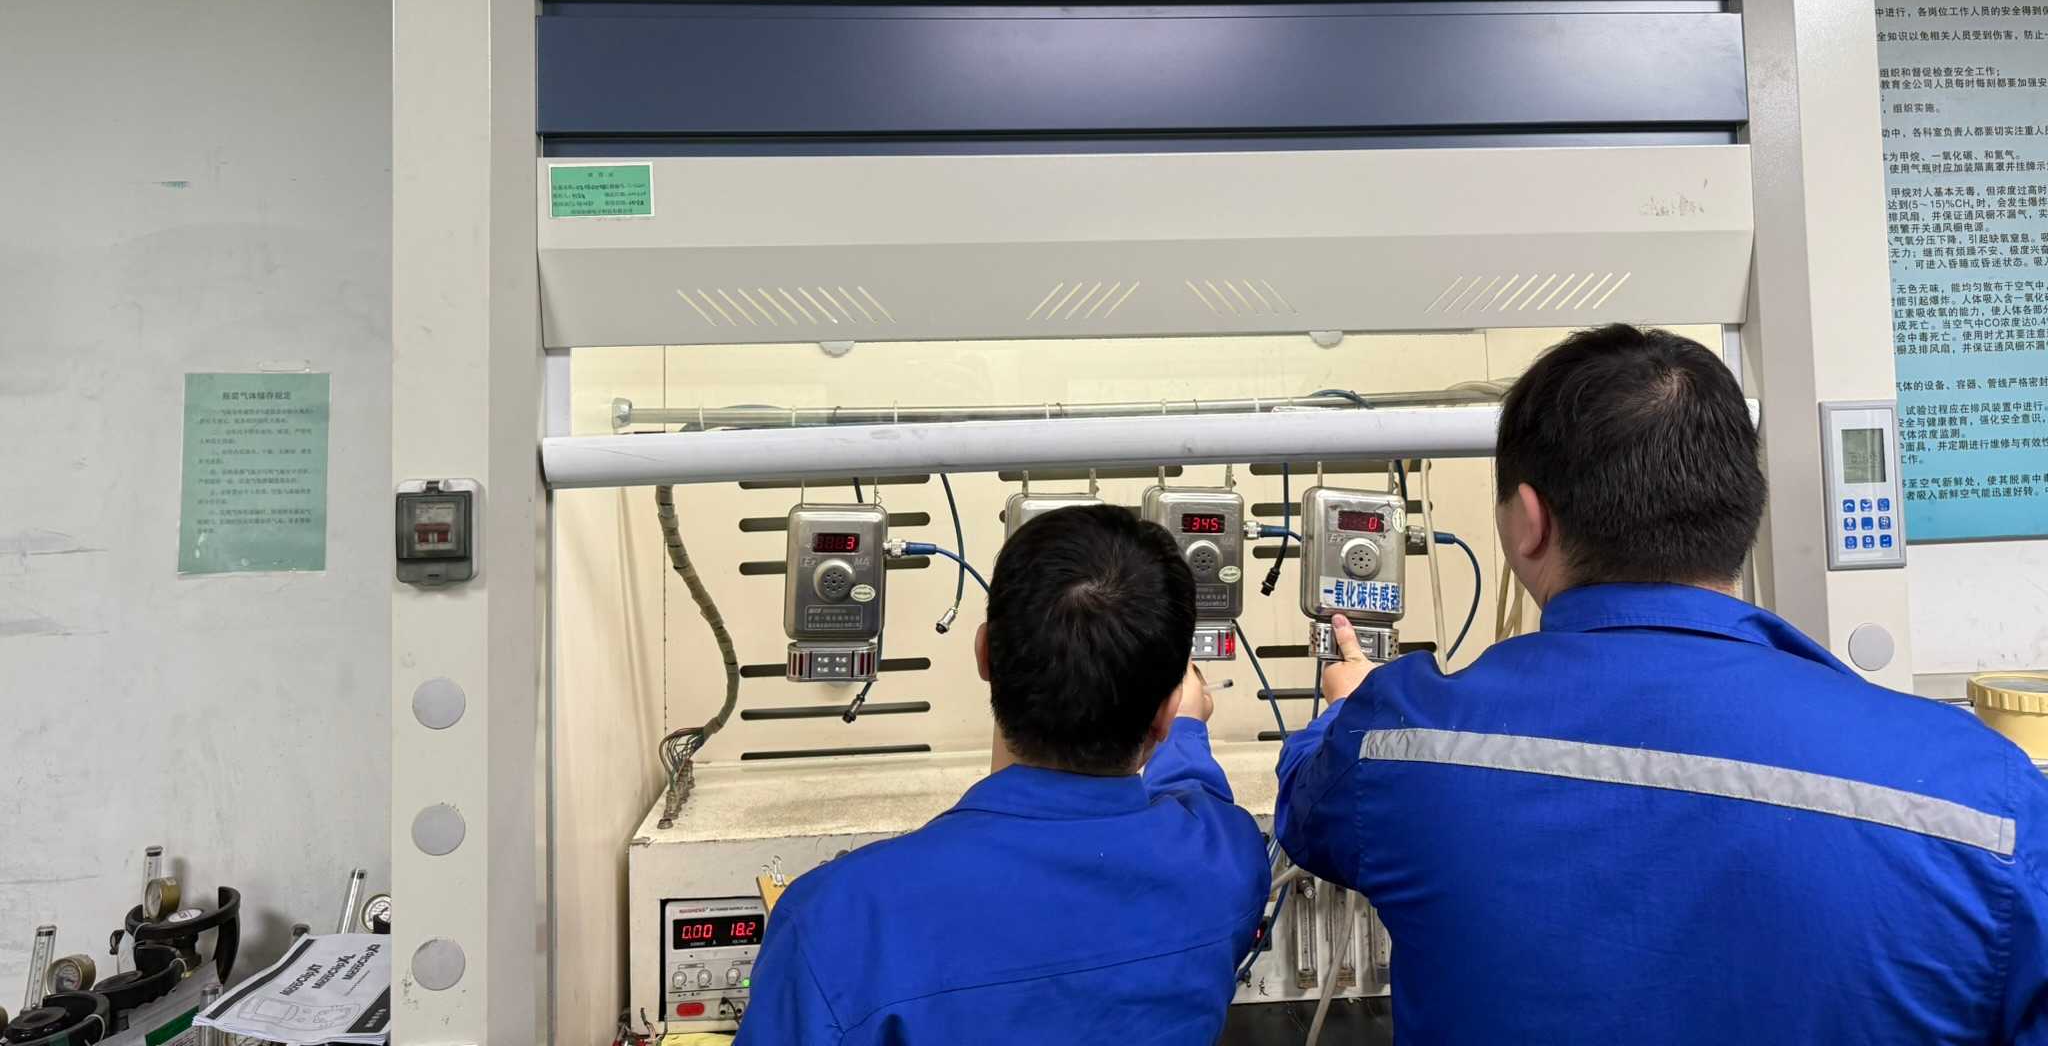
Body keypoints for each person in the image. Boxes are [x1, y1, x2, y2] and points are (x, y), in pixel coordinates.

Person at [1275, 324, 2048, 1043]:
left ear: (1528, 521)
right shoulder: (1984, 796)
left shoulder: (1398, 743)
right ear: (1743, 512)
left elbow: (1308, 810)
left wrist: (1346, 706)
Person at [738, 503, 1269, 1044]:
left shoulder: (836, 920)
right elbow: (1199, 799)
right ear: (1164, 711)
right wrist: (1183, 728)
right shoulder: (1229, 863)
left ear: (984, 654)